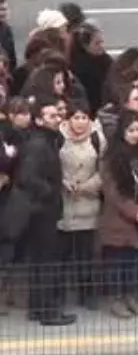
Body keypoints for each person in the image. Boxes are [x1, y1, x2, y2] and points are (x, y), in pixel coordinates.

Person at [17, 96, 74, 325]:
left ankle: (38, 308)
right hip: (42, 211)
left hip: (41, 209)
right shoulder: (38, 144)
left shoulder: (46, 141)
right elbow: (27, 176)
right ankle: (48, 311)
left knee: (40, 261)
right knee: (46, 261)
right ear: (39, 120)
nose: (57, 119)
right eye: (51, 116)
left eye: (58, 115)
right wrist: (50, 190)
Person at [98, 110, 138, 318]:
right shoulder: (111, 157)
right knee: (117, 260)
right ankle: (116, 298)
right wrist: (134, 211)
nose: (135, 134)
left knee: (134, 261)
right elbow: (111, 191)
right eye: (130, 130)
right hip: (118, 217)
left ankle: (131, 295)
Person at [58, 99, 105, 311]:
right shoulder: (59, 138)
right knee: (63, 253)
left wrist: (87, 186)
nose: (80, 122)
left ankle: (87, 293)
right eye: (75, 117)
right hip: (64, 204)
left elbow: (104, 170)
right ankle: (60, 294)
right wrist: (64, 183)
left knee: (87, 254)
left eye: (84, 117)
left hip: (88, 202)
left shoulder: (97, 138)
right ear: (68, 119)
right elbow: (52, 166)